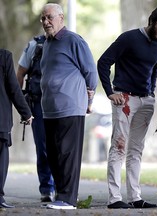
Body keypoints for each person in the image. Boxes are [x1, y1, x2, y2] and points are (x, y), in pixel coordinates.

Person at [97, 6, 157, 209]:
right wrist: (110, 92)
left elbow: (154, 70)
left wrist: (150, 93)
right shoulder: (129, 38)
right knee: (119, 147)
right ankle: (114, 198)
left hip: (145, 101)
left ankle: (135, 197)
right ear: (152, 21)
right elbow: (104, 62)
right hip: (124, 99)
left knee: (136, 150)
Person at [39, 3, 98, 210]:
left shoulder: (73, 40)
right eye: (43, 18)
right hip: (49, 108)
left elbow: (91, 71)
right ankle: (60, 195)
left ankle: (68, 199)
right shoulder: (46, 44)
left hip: (71, 106)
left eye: (49, 17)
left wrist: (89, 100)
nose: (46, 22)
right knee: (53, 154)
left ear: (61, 18)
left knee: (67, 154)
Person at [17, 34, 55, 202]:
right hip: (37, 102)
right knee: (43, 147)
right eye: (44, 18)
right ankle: (47, 189)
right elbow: (20, 73)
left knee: (60, 147)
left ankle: (63, 188)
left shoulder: (70, 42)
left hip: (60, 102)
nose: (47, 21)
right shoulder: (35, 45)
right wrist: (20, 104)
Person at [0, 49, 33, 208]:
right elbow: (13, 87)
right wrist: (26, 113)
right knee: (1, 157)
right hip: (0, 120)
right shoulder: (3, 56)